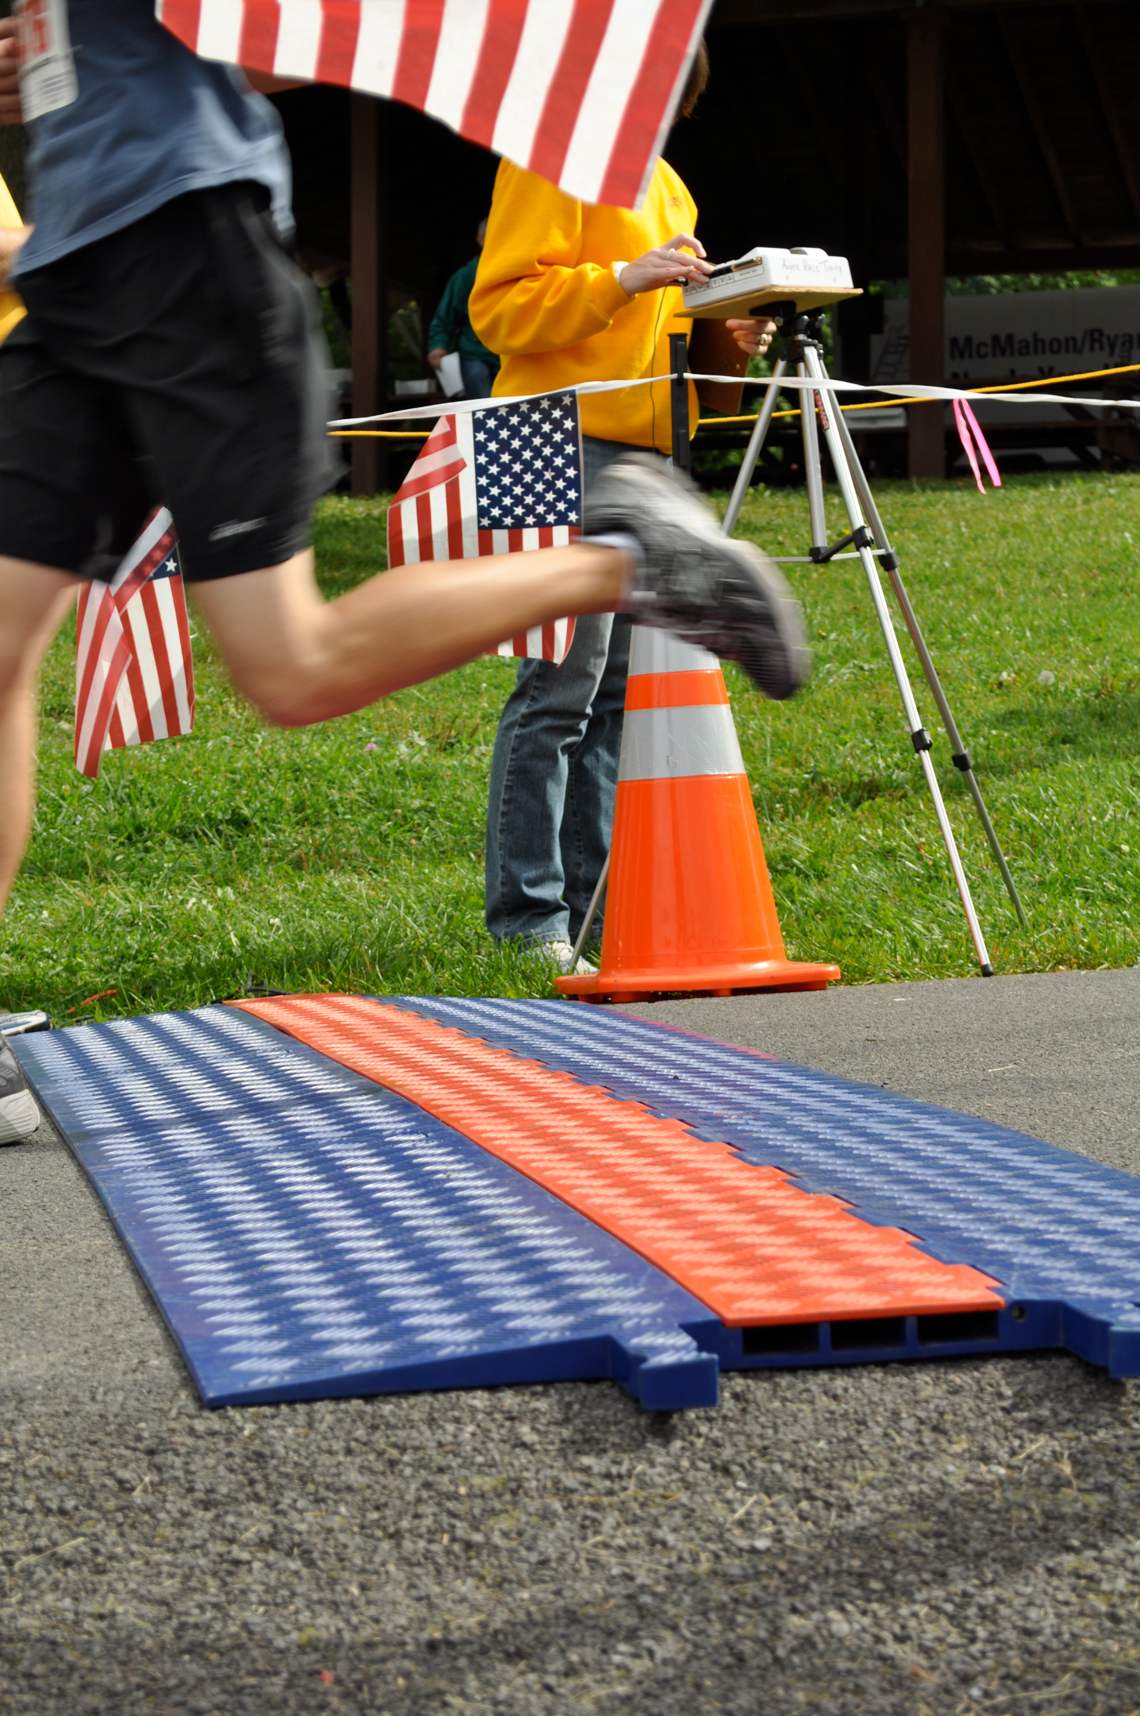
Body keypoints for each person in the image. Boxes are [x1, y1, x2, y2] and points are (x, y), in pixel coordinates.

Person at [0, 3, 807, 1143]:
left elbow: (280, 36)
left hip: (181, 255)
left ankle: (622, 555)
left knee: (291, 667)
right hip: (68, 274)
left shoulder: (641, 183)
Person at [469, 40, 780, 971]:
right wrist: (622, 280)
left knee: (614, 697)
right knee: (559, 683)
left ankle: (599, 916)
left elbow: (666, 340)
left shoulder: (670, 189)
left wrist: (727, 334)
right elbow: (498, 310)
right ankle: (529, 925)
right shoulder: (545, 157)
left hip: (649, 451)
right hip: (551, 436)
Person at [426, 220, 499, 400]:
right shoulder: (465, 276)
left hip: (510, 353)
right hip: (474, 352)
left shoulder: (520, 269)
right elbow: (445, 317)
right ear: (480, 239)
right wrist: (438, 346)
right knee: (482, 405)